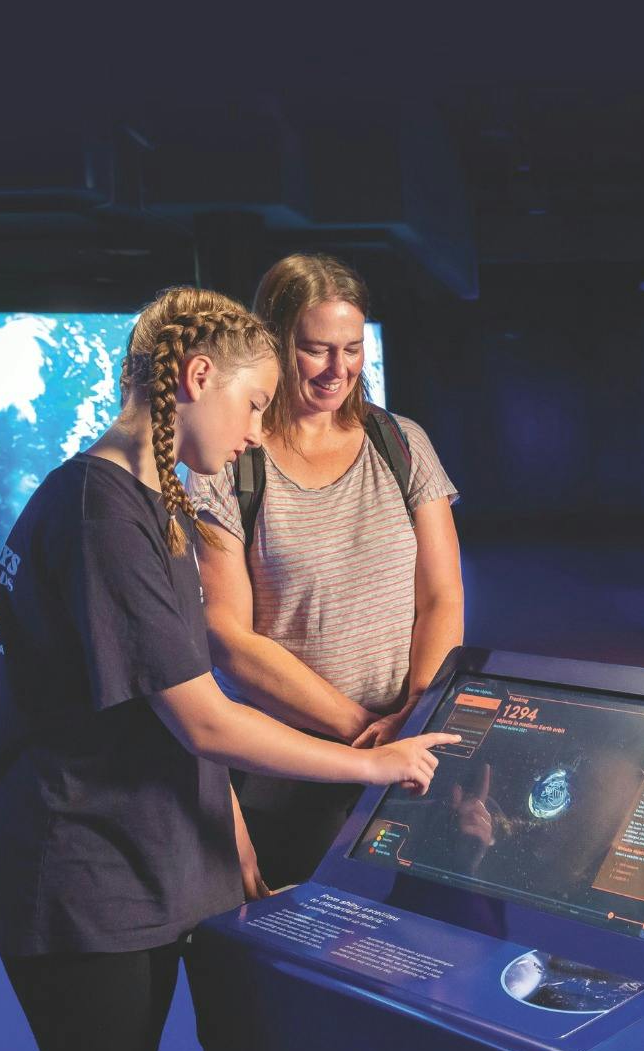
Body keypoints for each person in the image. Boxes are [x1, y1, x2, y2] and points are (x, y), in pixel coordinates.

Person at [0, 286, 456, 1051]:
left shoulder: (145, 505)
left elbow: (163, 698)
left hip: (143, 863)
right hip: (79, 876)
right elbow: (201, 715)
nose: (256, 432)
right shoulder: (99, 508)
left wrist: (222, 828)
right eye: (253, 404)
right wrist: (373, 763)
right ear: (196, 377)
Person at [188, 254, 463, 888]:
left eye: (353, 349)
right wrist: (360, 734)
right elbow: (227, 635)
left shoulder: (401, 443)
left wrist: (415, 714)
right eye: (316, 350)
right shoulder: (230, 462)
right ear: (276, 345)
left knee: (412, 955)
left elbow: (442, 596)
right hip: (289, 767)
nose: (339, 370)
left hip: (408, 755)